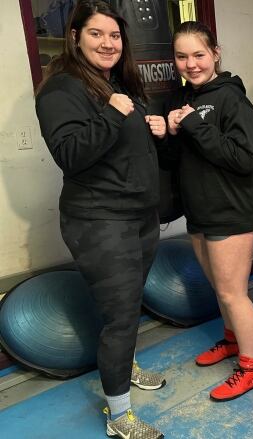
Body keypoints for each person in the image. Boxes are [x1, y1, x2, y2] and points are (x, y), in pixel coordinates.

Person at [35, 1, 165, 437]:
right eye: (97, 34)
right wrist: (114, 112)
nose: (108, 43)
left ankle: (125, 366)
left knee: (129, 306)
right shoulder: (62, 90)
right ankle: (120, 415)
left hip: (138, 216)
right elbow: (70, 153)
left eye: (114, 35)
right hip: (99, 221)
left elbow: (127, 147)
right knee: (122, 317)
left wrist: (156, 126)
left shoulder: (114, 82)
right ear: (75, 36)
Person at [164, 21, 253, 401]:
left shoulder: (232, 99)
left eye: (199, 55)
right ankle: (231, 341)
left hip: (232, 210)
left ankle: (251, 368)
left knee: (233, 293)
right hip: (200, 210)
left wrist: (193, 124)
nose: (191, 64)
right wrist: (170, 132)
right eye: (182, 56)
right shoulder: (180, 98)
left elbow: (242, 159)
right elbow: (179, 160)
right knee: (220, 291)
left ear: (215, 53)